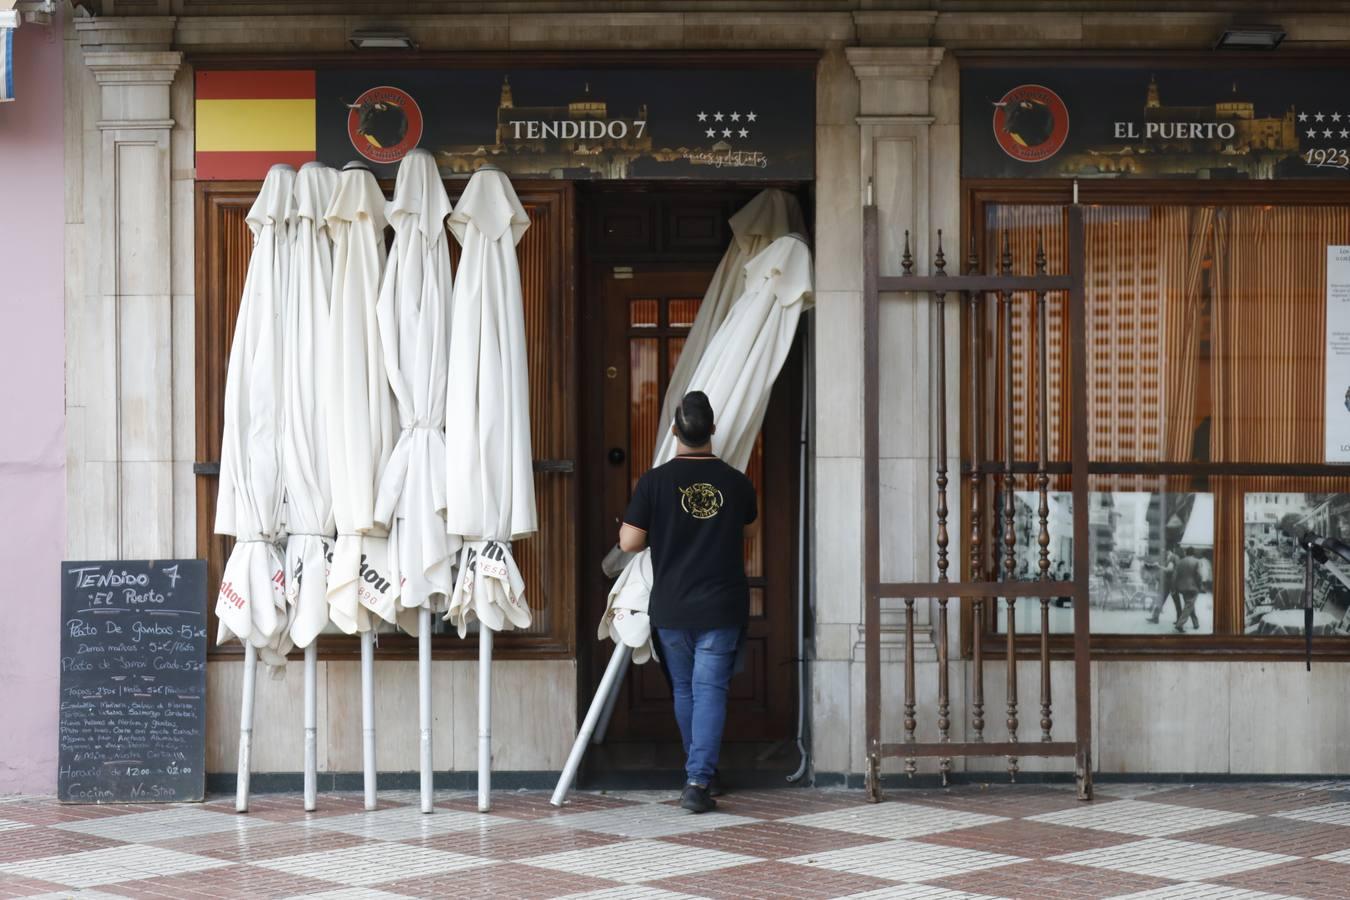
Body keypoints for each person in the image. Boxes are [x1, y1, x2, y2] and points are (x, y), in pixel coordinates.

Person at [618, 391, 758, 814]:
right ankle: (699, 779)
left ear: (675, 431)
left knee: (685, 689)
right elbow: (749, 535)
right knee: (710, 688)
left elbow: (628, 542)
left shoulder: (654, 482)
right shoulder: (737, 482)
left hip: (673, 606)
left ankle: (699, 771)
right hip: (722, 604)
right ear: (713, 430)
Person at [1172, 546, 1204, 632]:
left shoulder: (1180, 562)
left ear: (1186, 552)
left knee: (1189, 604)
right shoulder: (1197, 561)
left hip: (1182, 587)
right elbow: (1199, 575)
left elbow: (1175, 576)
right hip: (1193, 587)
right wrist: (1200, 585)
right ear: (1194, 553)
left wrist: (1174, 587)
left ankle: (1195, 623)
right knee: (1189, 604)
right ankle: (1180, 624)